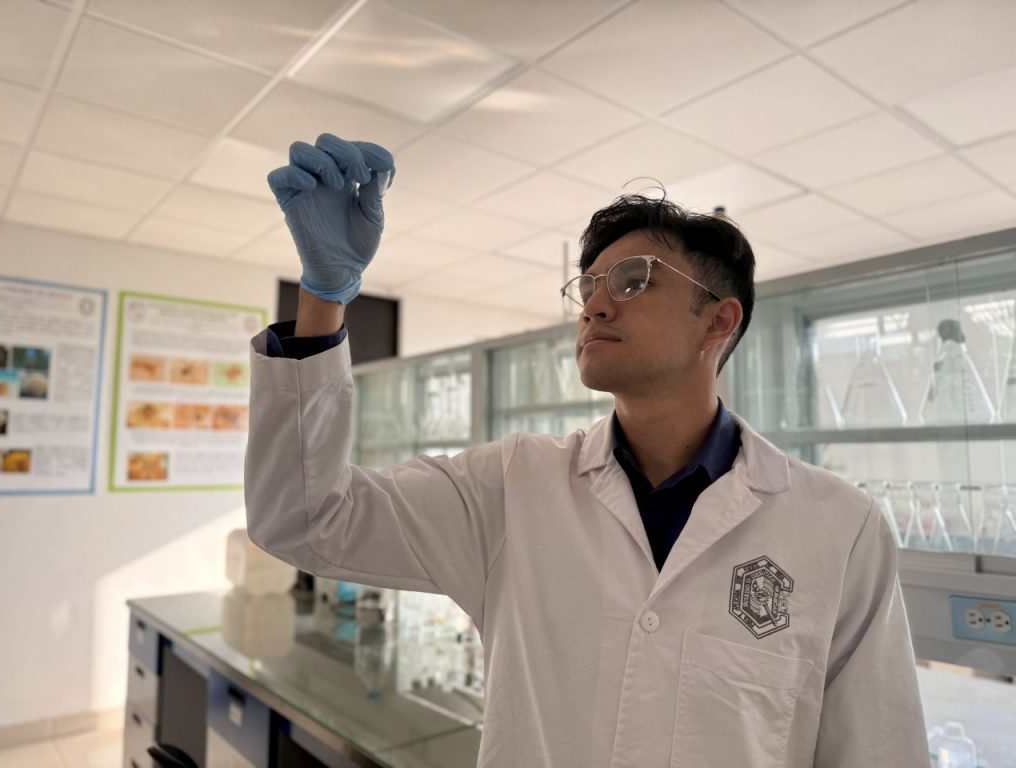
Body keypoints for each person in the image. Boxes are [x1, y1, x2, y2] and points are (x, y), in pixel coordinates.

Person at [245, 134, 928, 768]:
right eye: (590, 286)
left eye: (633, 280)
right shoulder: (512, 487)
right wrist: (323, 301)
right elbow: (305, 518)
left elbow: (878, 752)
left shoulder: (838, 528)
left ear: (718, 321)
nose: (595, 306)